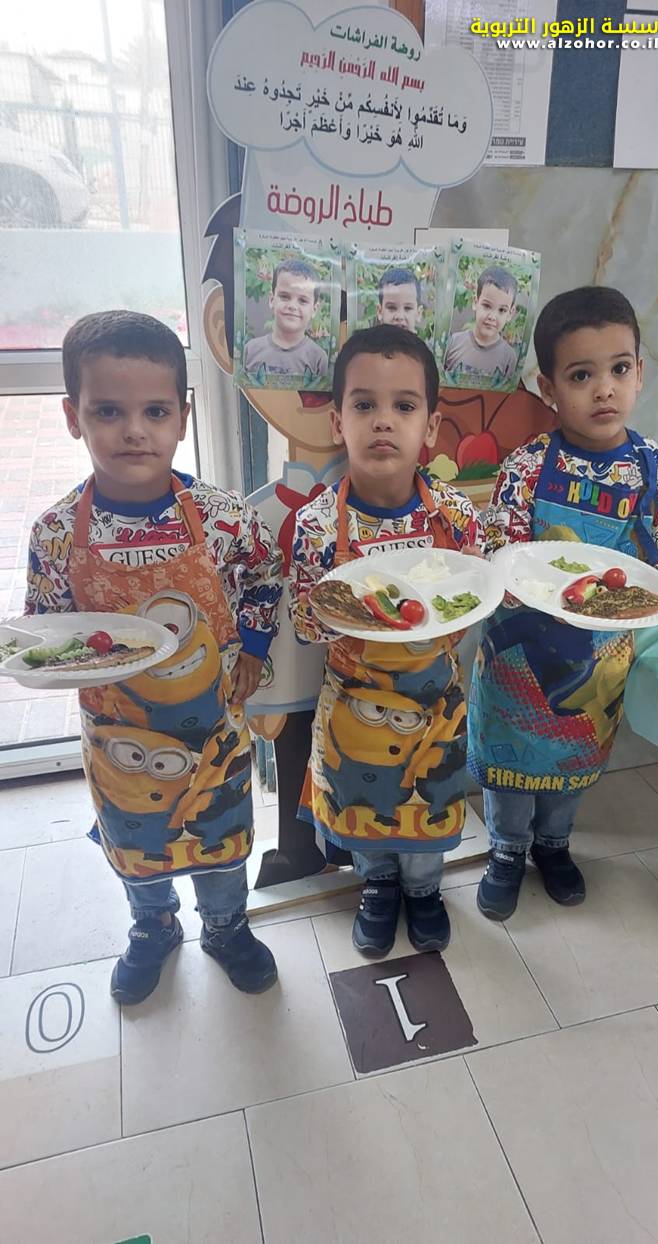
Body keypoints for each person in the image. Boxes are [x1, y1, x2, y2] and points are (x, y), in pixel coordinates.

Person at [25, 310, 284, 1003]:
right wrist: (54, 664)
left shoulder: (223, 516)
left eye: (155, 411)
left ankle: (226, 926)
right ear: (73, 417)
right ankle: (153, 925)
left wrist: (255, 648)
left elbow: (265, 576)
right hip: (119, 735)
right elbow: (46, 630)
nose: (133, 430)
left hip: (215, 729)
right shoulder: (56, 532)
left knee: (220, 843)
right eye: (108, 411)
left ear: (183, 418)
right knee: (137, 842)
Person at [469, 286, 658, 920]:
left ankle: (554, 844)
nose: (604, 389)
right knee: (509, 764)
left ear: (640, 373)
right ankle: (506, 850)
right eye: (581, 375)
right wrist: (511, 573)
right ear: (548, 388)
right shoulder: (526, 466)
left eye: (619, 369)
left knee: (573, 757)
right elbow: (498, 544)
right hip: (516, 659)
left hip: (599, 660)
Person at [289, 325, 486, 957]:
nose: (383, 421)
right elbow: (304, 624)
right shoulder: (317, 524)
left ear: (430, 427)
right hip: (353, 707)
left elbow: (472, 602)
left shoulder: (454, 516)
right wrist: (350, 612)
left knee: (428, 810)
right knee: (365, 812)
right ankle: (376, 887)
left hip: (436, 706)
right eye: (364, 404)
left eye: (404, 406)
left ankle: (425, 890)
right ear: (337, 422)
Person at [243, 257, 327, 380]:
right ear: (272, 300)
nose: (292, 306)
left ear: (314, 309)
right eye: (284, 296)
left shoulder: (318, 358)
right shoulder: (251, 350)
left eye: (302, 300)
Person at [445, 264, 519, 380]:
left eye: (502, 310)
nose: (492, 317)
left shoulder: (509, 358)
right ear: (475, 302)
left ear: (510, 313)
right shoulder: (453, 343)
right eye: (487, 306)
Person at [376, 266, 423, 334]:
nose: (399, 316)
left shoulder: (420, 342)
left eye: (407, 308)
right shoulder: (370, 341)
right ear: (380, 312)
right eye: (391, 308)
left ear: (418, 313)